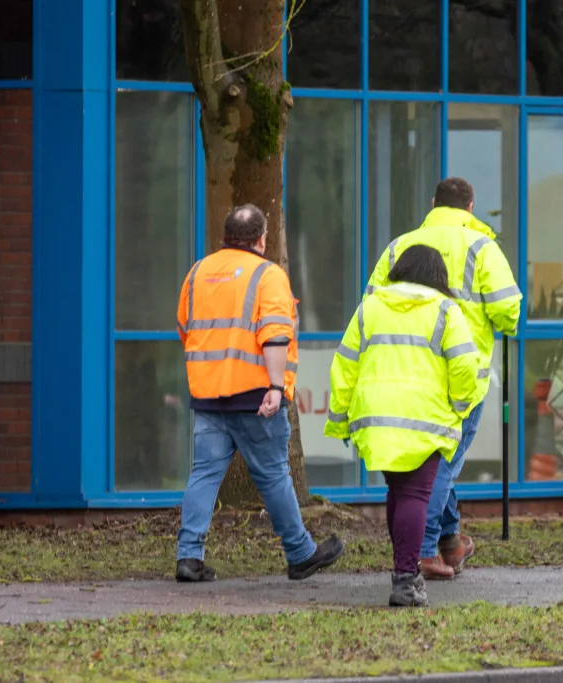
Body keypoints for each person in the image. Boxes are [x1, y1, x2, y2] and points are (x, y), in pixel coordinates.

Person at [175, 204, 345, 583]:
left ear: (226, 237)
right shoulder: (268, 275)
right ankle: (300, 553)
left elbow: (185, 327)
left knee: (204, 474)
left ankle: (189, 556)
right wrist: (273, 385)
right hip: (254, 395)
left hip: (207, 394)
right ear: (261, 240)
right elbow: (274, 334)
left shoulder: (197, 272)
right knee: (273, 475)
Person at [365, 177, 522, 581]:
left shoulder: (401, 245)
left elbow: (372, 300)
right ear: (470, 207)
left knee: (437, 461)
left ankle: (449, 541)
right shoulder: (482, 247)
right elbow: (508, 310)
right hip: (460, 372)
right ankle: (424, 551)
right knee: (444, 463)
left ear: (433, 203)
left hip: (404, 371)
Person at [326, 245, 480, 607]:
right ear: (438, 277)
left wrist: (342, 415)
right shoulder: (446, 310)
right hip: (424, 418)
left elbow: (345, 363)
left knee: (398, 492)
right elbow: (464, 367)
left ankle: (404, 571)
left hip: (376, 417)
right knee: (414, 496)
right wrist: (458, 406)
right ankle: (405, 579)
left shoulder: (371, 307)